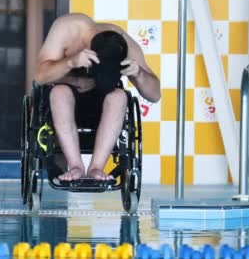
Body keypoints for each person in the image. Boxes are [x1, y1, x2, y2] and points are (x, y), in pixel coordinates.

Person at [34, 13, 161, 181]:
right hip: (66, 99)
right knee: (60, 93)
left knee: (119, 97)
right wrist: (71, 63)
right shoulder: (66, 29)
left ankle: (96, 167)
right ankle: (75, 166)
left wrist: (139, 74)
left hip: (104, 105)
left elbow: (155, 95)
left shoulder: (121, 41)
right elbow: (39, 77)